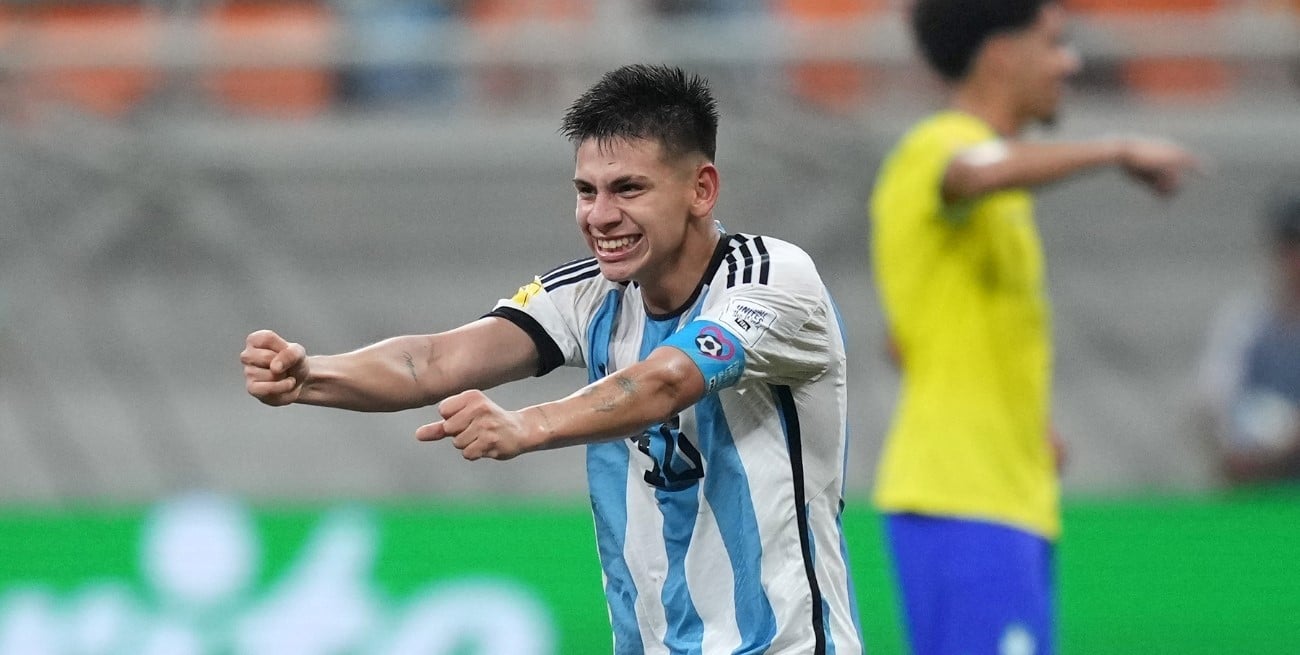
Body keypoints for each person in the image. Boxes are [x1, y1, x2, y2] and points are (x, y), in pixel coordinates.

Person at [242, 64, 863, 654]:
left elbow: (668, 381)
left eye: (628, 189)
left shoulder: (772, 280)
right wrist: (313, 376)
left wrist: (527, 425)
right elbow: (434, 360)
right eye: (586, 191)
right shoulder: (590, 294)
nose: (600, 216)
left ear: (701, 189)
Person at [867, 2, 1201, 654]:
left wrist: (1023, 424)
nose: (1069, 63)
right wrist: (1116, 147)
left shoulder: (994, 198)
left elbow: (902, 341)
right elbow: (974, 170)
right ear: (1000, 55)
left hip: (1001, 501)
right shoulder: (938, 144)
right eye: (1053, 43)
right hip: (963, 501)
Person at [1195, 190, 1300, 485]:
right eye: (1292, 247)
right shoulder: (1246, 318)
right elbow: (1213, 395)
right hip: (1254, 474)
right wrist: (1236, 444)